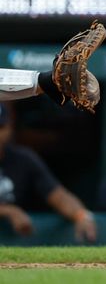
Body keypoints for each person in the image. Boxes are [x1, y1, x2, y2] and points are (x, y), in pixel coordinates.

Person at [0, 103, 96, 242]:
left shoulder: (23, 159)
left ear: (10, 128)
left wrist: (81, 215)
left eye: (1, 127)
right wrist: (8, 211)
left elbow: (57, 195)